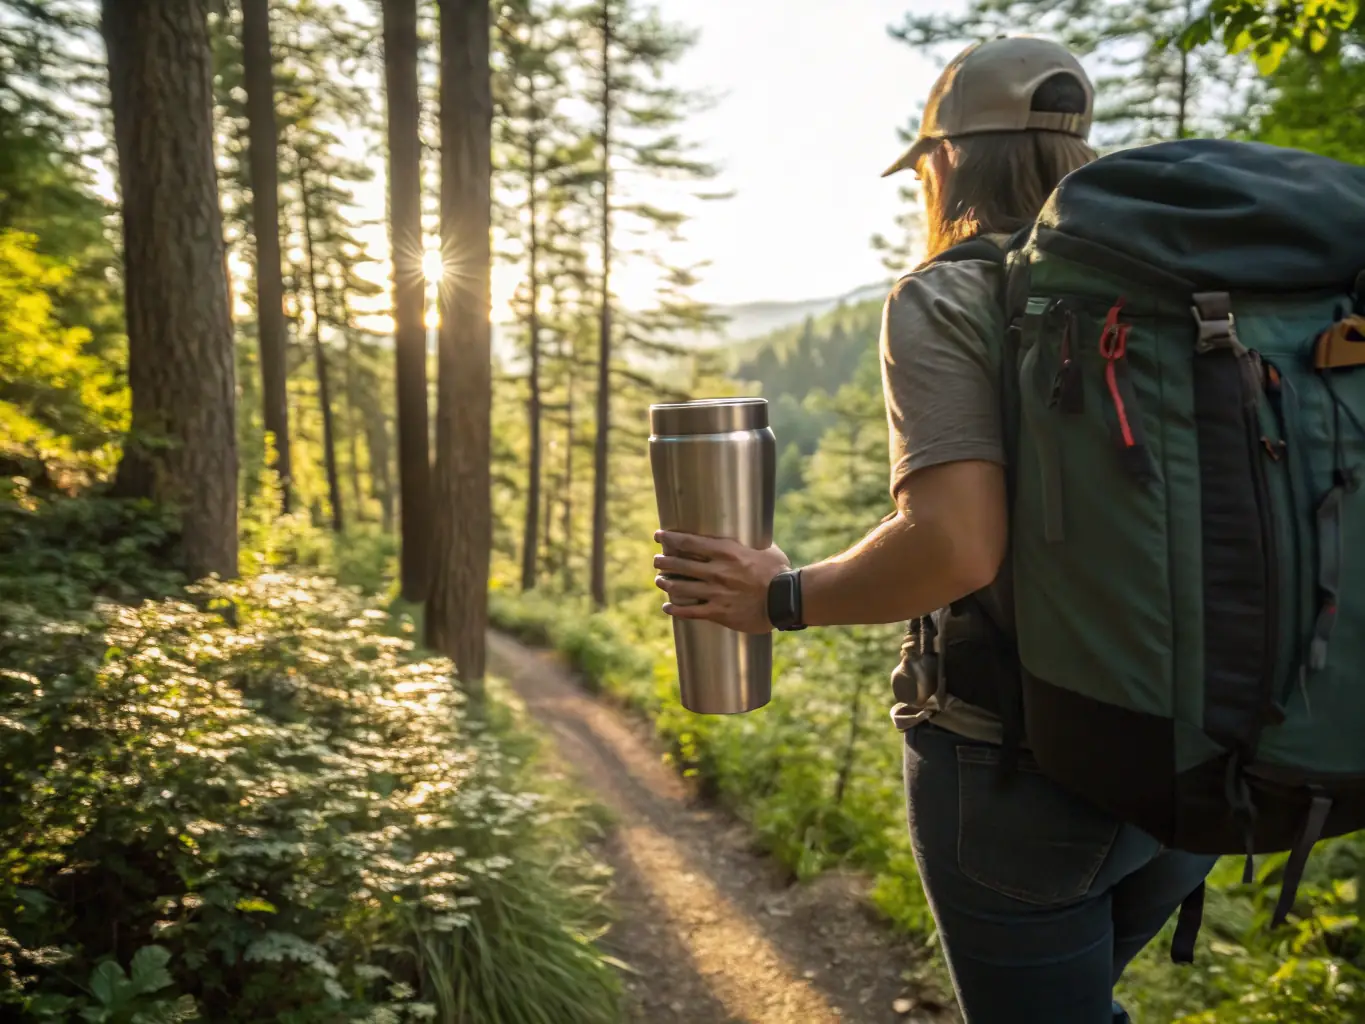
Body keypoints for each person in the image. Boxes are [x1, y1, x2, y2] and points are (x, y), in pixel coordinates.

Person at [650, 36, 1218, 1024]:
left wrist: (779, 596)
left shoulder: (950, 290)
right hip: (1205, 751)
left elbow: (955, 546)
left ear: (945, 160)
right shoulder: (1182, 286)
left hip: (1025, 775)